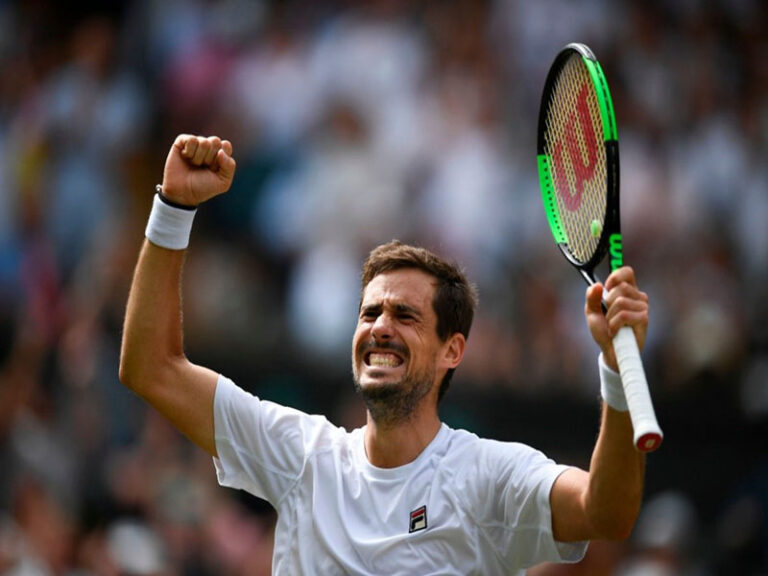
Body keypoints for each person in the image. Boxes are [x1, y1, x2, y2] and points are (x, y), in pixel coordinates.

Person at [120, 134, 648, 575]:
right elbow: (150, 368)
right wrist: (174, 207)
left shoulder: (488, 477)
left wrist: (615, 371)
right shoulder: (302, 457)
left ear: (452, 350)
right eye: (370, 313)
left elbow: (606, 511)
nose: (380, 329)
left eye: (406, 316)